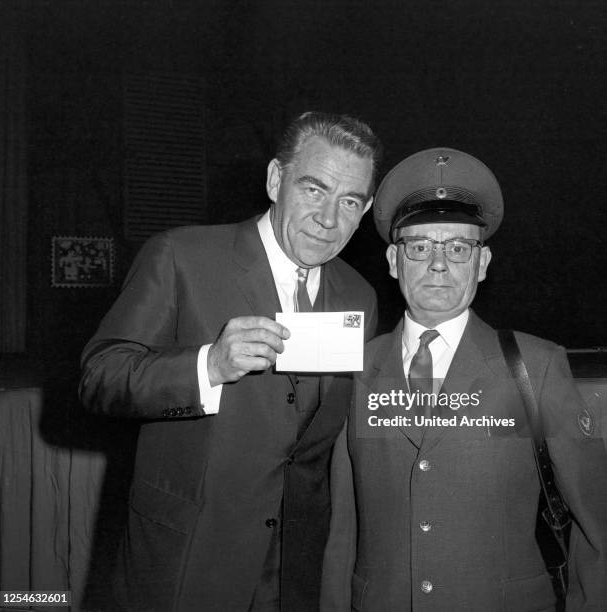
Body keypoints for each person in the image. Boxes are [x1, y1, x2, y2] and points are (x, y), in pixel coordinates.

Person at [79, 111, 381, 612]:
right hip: (188, 556)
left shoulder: (360, 294)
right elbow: (98, 376)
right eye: (313, 189)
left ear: (365, 208)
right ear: (275, 180)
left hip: (294, 569)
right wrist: (207, 366)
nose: (328, 219)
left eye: (348, 201)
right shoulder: (180, 255)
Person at [320, 148, 607, 611]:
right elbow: (342, 529)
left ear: (483, 262)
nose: (438, 264)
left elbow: (599, 527)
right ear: (394, 261)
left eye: (457, 247)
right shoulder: (354, 371)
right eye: (420, 246)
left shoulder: (536, 368)